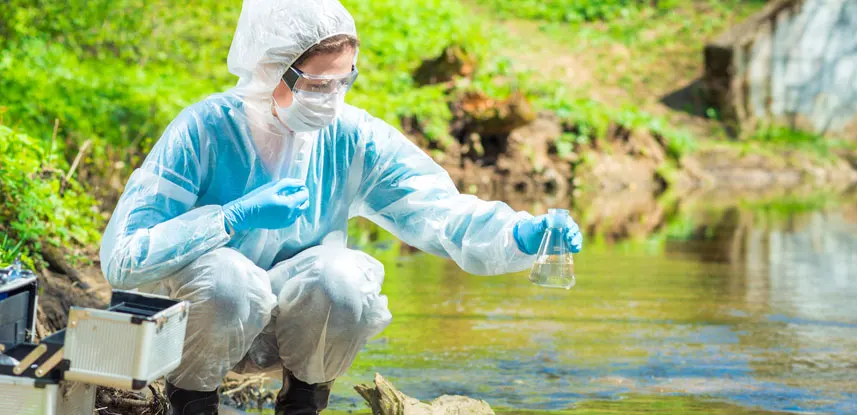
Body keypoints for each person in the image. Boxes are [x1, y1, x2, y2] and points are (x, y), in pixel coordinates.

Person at [97, 0, 583, 414]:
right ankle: (191, 403)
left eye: (343, 81)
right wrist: (227, 219)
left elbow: (437, 210)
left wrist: (521, 235)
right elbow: (123, 258)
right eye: (316, 85)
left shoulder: (351, 137)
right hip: (196, 324)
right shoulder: (203, 130)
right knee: (227, 279)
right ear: (272, 68)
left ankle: (304, 400)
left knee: (341, 277)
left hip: (288, 327)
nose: (331, 99)